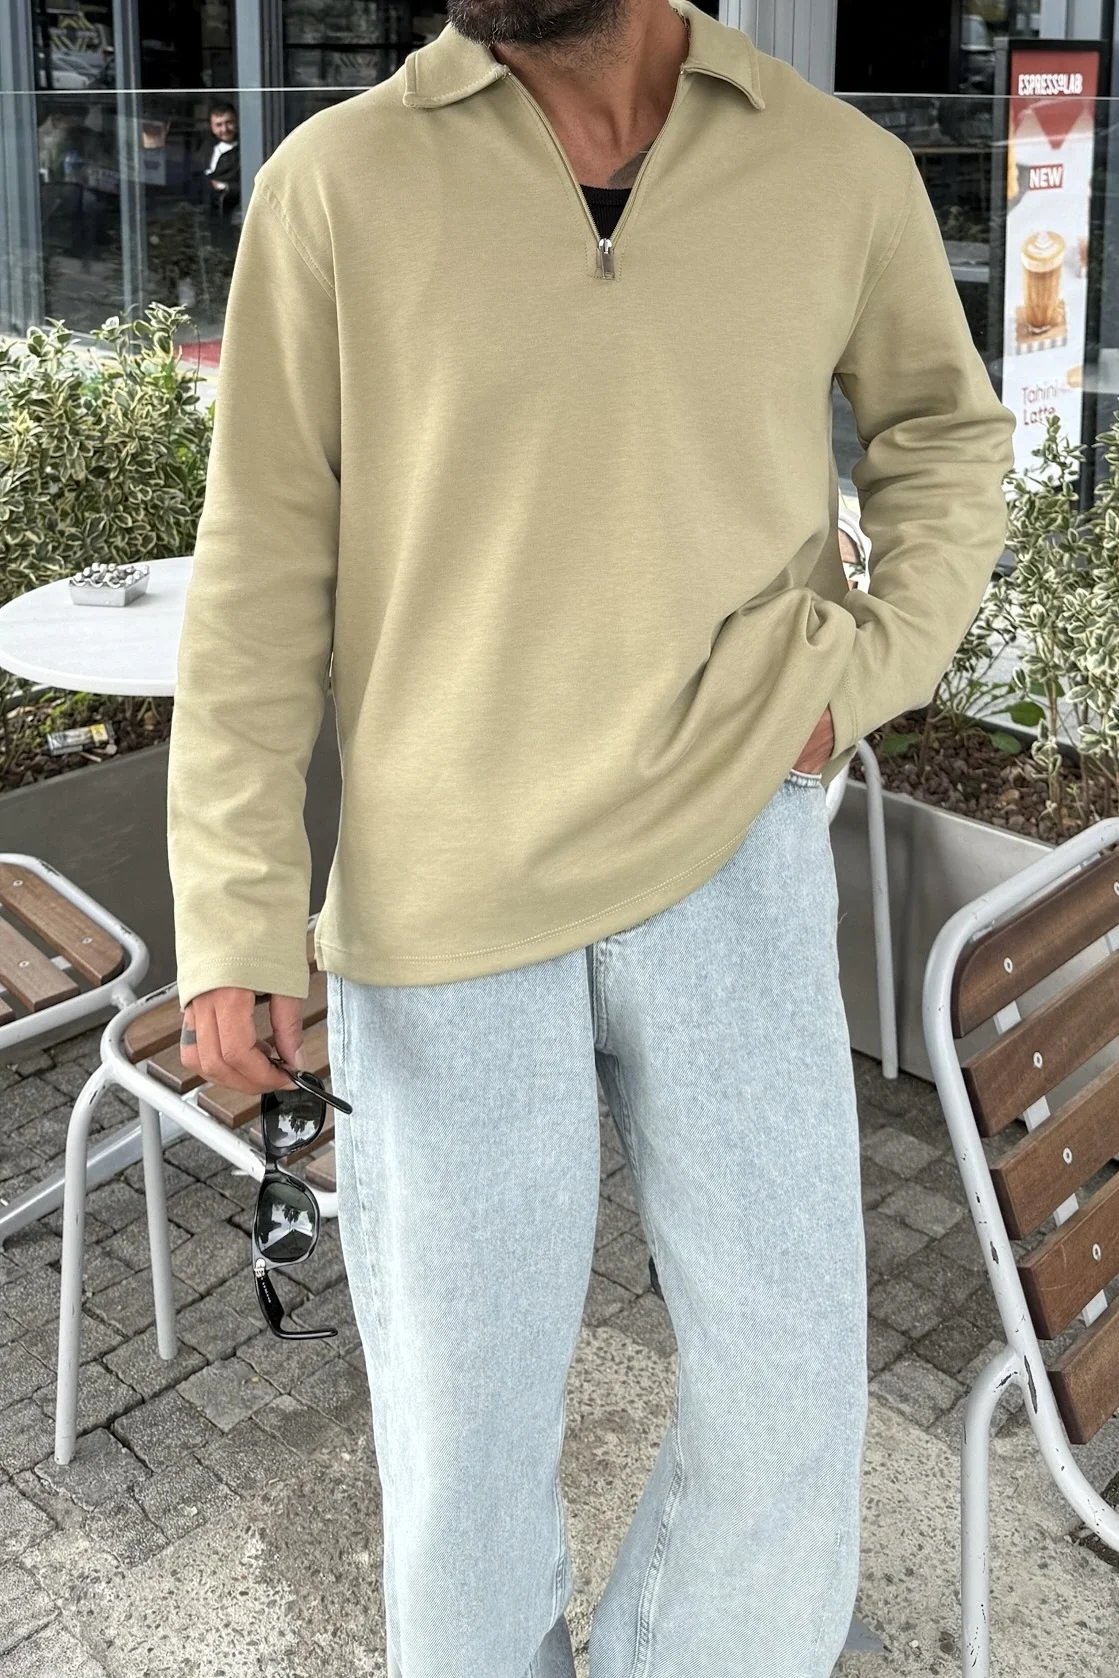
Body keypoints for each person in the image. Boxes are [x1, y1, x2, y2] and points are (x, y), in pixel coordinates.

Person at [166, 0, 1017, 1671]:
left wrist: (851, 682)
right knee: (463, 1446)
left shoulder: (833, 168)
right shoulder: (335, 184)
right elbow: (259, 566)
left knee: (789, 1399)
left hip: (734, 858)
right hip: (443, 897)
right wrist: (237, 907)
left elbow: (946, 436)